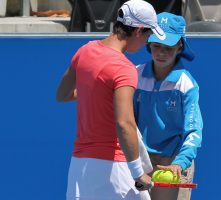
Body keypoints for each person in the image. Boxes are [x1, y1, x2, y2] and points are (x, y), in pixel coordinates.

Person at [56, 0, 166, 199]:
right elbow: (125, 123)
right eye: (148, 35)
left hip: (79, 168)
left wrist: (97, 92)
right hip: (115, 169)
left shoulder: (85, 51)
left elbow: (62, 95)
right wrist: (137, 172)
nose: (146, 43)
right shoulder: (124, 68)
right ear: (138, 31)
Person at [133, 12, 203, 200]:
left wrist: (180, 163)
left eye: (168, 47)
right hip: (141, 160)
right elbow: (126, 121)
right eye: (156, 46)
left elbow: (194, 131)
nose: (162, 53)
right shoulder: (135, 75)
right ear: (149, 44)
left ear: (180, 47)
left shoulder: (186, 83)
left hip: (175, 161)